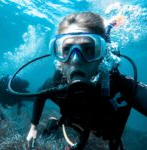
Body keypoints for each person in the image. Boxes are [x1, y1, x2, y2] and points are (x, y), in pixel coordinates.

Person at [26, 12, 147, 150]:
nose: (76, 60)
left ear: (103, 54)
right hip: (75, 124)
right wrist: (33, 127)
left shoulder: (121, 86)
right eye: (66, 49)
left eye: (88, 49)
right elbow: (39, 95)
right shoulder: (55, 84)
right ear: (58, 57)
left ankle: (108, 28)